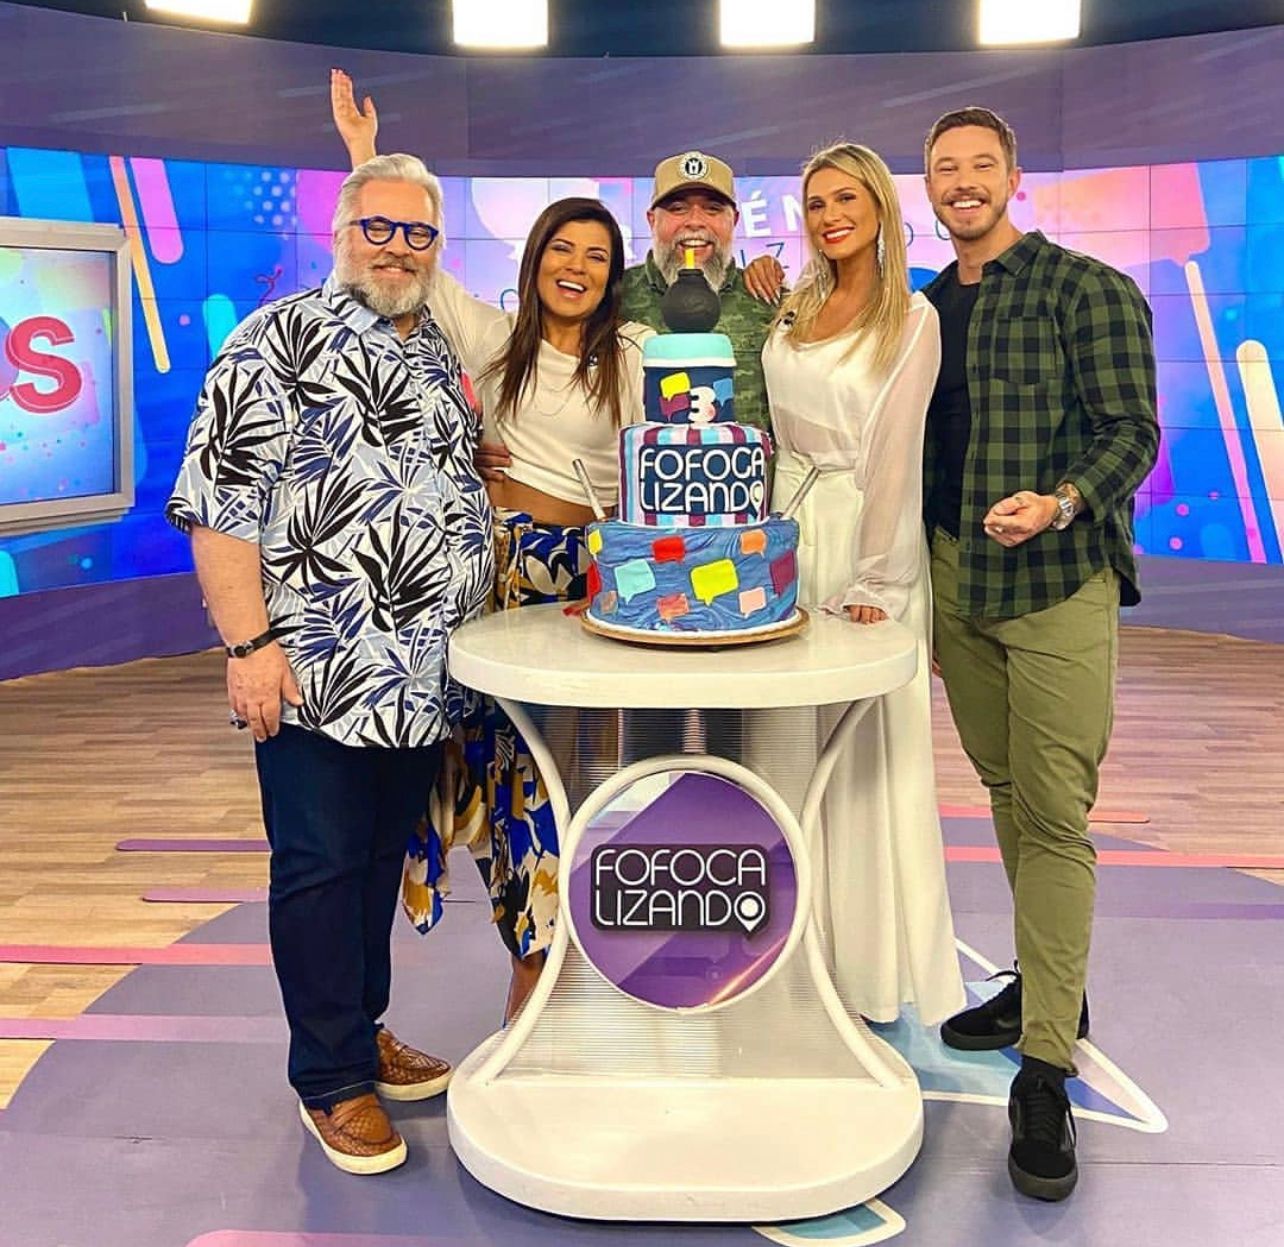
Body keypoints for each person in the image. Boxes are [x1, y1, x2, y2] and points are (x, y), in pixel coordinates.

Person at [165, 154, 492, 1174]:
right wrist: (248, 647)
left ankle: (361, 1026)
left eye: (418, 233)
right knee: (316, 867)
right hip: (312, 672)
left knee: (375, 863)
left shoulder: (437, 349)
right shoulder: (277, 339)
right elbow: (219, 503)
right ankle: (330, 1076)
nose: (397, 248)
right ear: (341, 231)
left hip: (421, 678)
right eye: (378, 227)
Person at [330, 70, 650, 1021]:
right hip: (480, 582)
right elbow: (412, 267)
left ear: (612, 273)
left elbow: (653, 478)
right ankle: (518, 966)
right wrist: (364, 157)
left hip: (571, 591)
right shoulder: (497, 339)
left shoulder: (630, 356)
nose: (577, 267)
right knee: (475, 781)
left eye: (597, 255)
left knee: (552, 786)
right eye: (563, 248)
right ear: (536, 259)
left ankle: (539, 980)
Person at [921, 107, 1159, 1201]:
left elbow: (1132, 431)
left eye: (981, 164)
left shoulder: (1085, 289)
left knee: (1056, 814)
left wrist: (1062, 502)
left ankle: (1047, 1068)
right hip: (954, 587)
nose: (963, 182)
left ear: (1012, 176)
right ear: (929, 188)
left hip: (1059, 581)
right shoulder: (926, 308)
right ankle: (1046, 981)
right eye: (946, 169)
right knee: (1009, 791)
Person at [756, 142, 966, 1032]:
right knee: (784, 752)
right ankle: (788, 956)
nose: (830, 215)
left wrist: (878, 579)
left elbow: (894, 454)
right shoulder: (794, 306)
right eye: (816, 203)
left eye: (847, 198)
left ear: (880, 206)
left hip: (862, 539)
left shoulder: (910, 316)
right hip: (782, 538)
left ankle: (866, 973)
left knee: (863, 761)